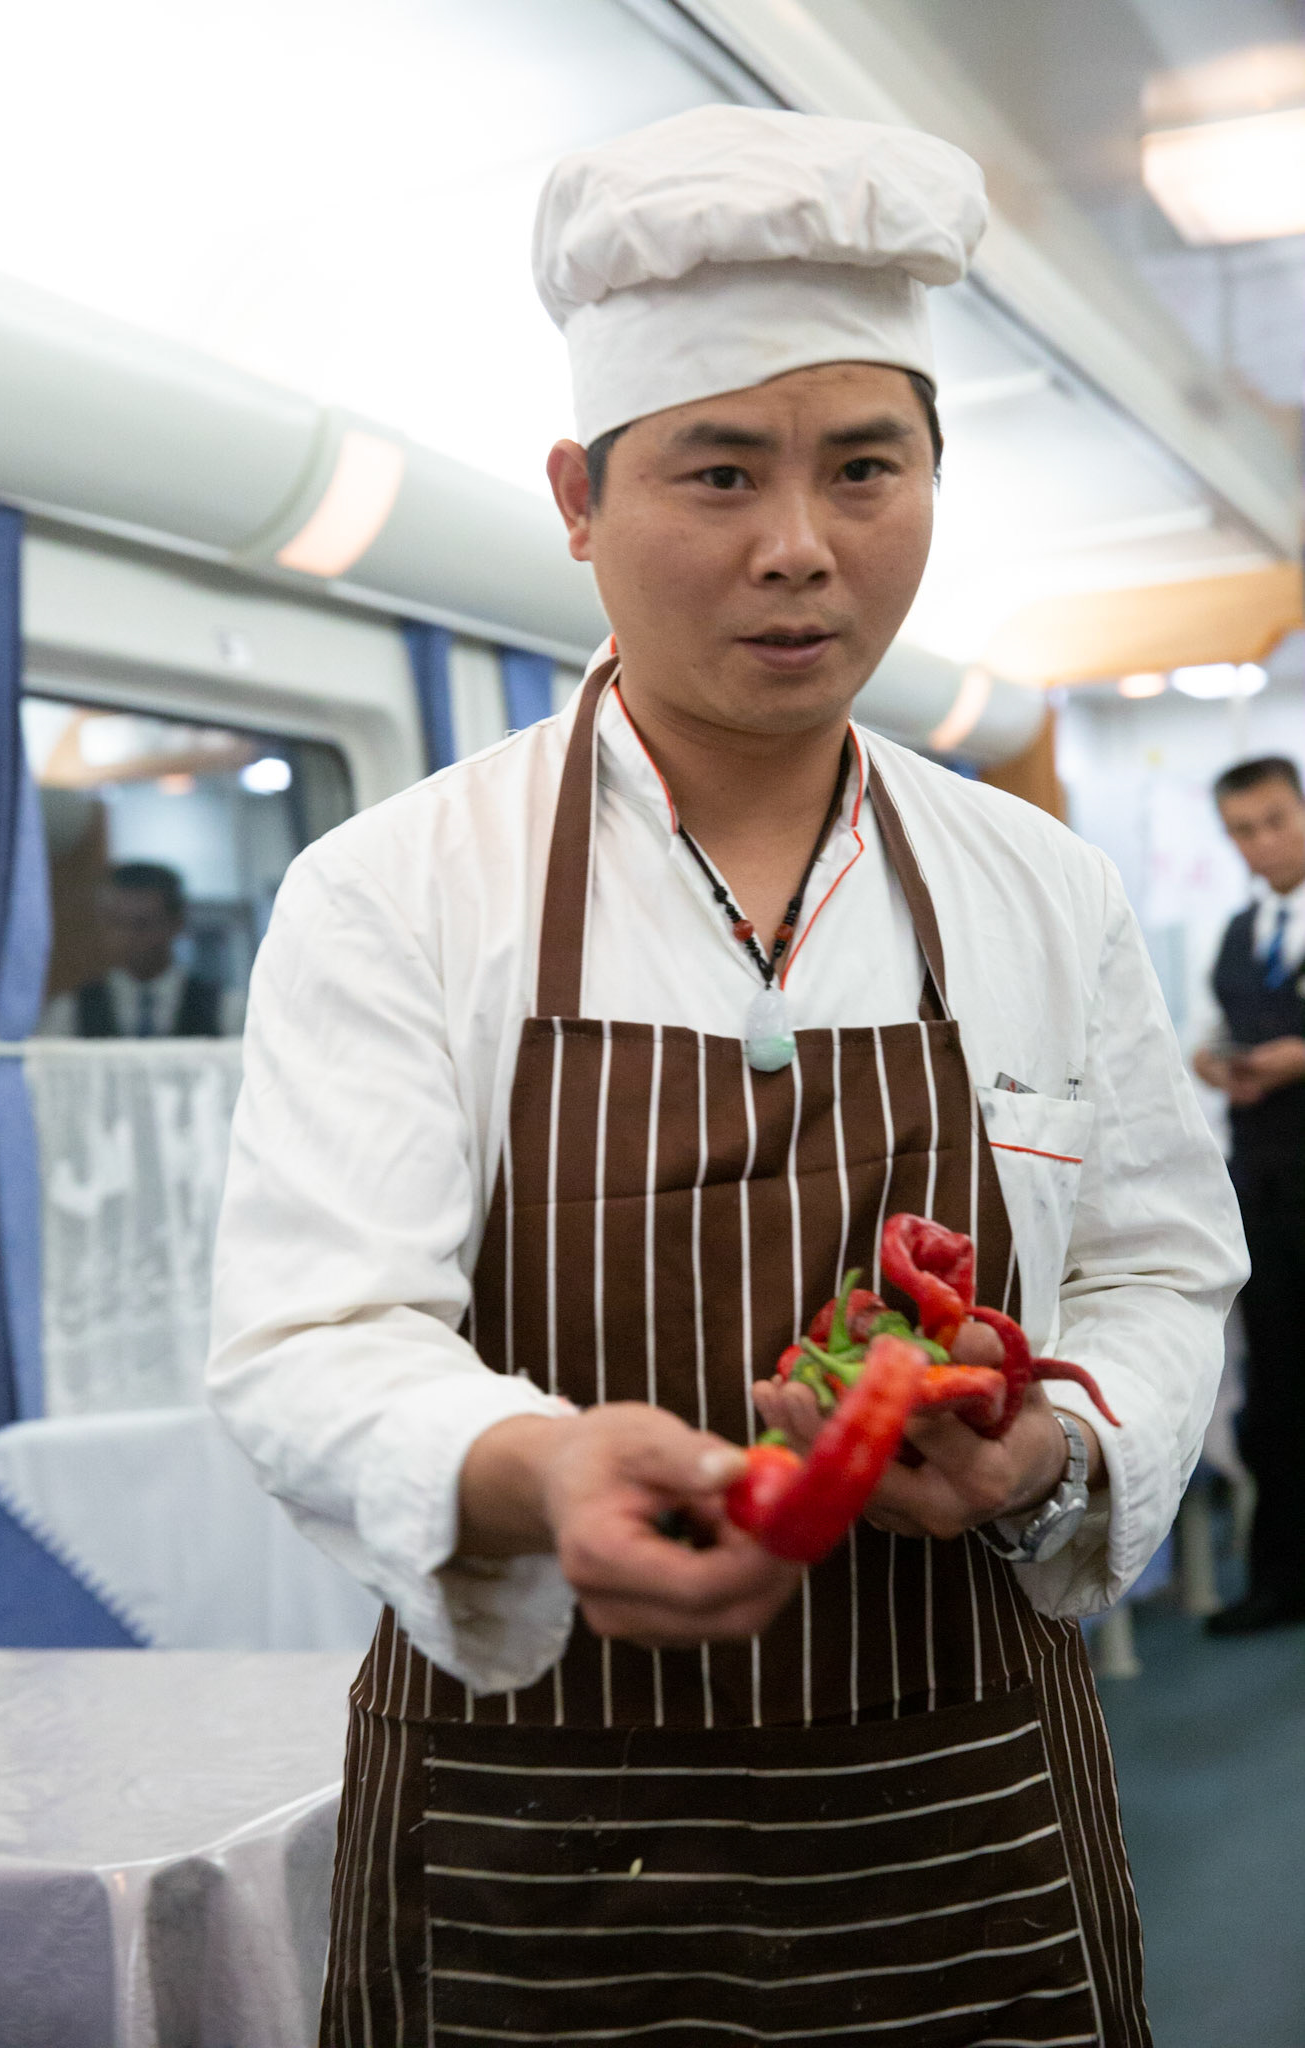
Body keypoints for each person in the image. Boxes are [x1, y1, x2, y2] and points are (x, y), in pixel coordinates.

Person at [209, 108, 1245, 2046]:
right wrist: (524, 1469)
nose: (797, 546)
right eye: (716, 471)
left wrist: (1055, 1460)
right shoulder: (395, 890)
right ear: (577, 499)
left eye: (865, 467)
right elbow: (309, 1332)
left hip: (963, 1826)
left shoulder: (1039, 889)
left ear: (932, 478)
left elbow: (1158, 1272)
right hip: (530, 1840)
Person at [1193, 755, 1305, 1634]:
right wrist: (1212, 1060)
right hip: (1261, 1183)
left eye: (1274, 820)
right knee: (1272, 1382)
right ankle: (1279, 1579)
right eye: (1241, 829)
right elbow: (1222, 1026)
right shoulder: (1237, 933)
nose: (1260, 842)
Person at [40, 861, 236, 1037]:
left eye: (142, 924)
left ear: (176, 924)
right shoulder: (70, 1012)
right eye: (116, 923)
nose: (127, 937)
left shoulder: (225, 1010)